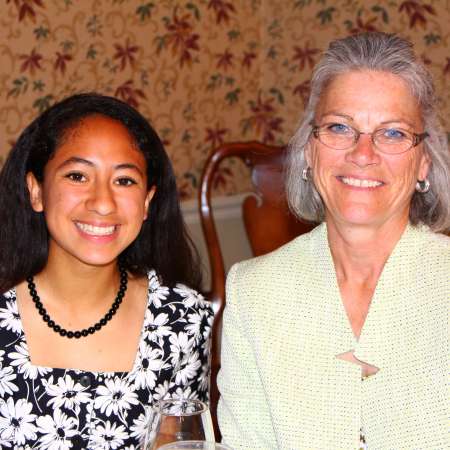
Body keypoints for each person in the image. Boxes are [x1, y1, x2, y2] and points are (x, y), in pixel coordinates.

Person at [217, 32, 450, 449]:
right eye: (340, 127)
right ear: (309, 151)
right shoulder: (254, 292)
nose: (363, 153)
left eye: (393, 133)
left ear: (424, 162)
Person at [0, 93, 213, 449]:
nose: (102, 202)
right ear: (36, 191)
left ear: (147, 201)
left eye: (125, 181)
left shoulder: (180, 320)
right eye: (77, 175)